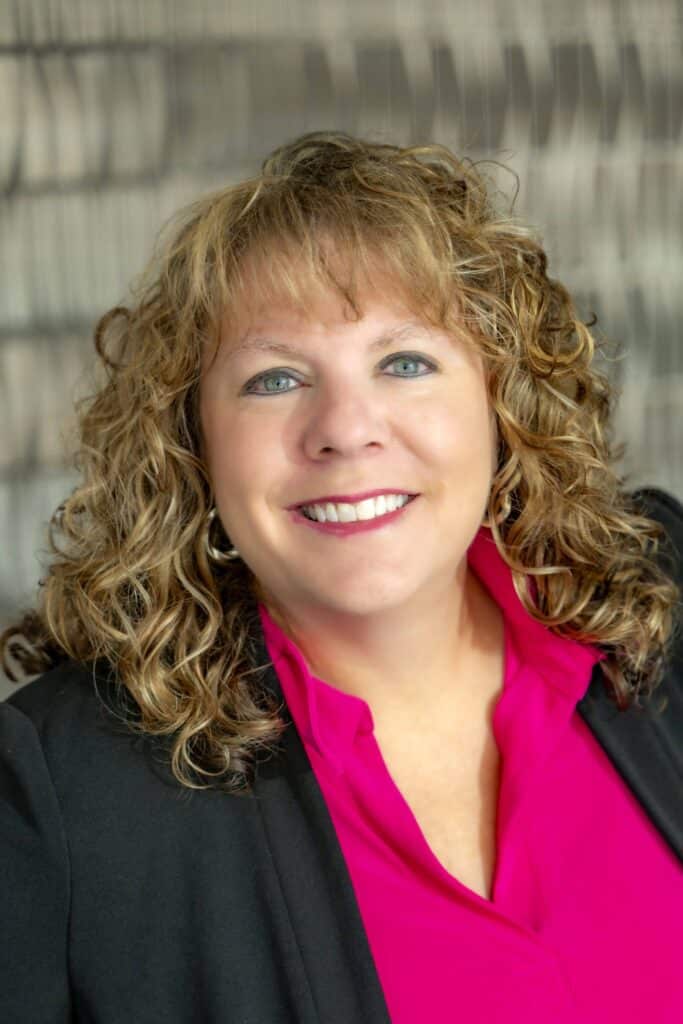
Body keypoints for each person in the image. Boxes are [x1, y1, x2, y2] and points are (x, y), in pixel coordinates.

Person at [1, 130, 681, 1024]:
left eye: (404, 362)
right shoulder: (64, 789)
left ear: (500, 402)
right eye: (274, 379)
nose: (346, 429)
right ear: (193, 448)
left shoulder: (661, 593)